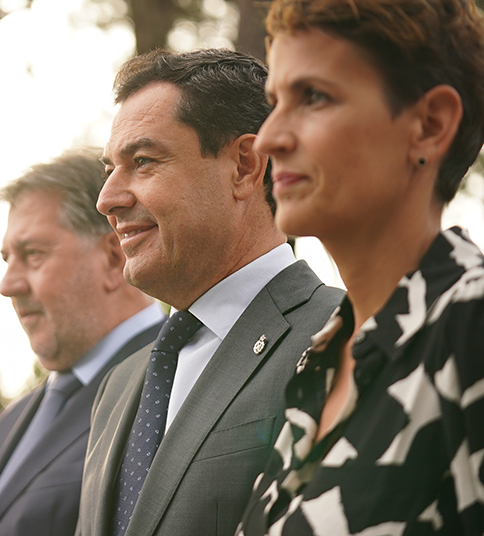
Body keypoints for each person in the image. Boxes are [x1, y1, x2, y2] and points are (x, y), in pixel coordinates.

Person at [235, 0, 484, 534]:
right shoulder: (319, 357)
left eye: (314, 96)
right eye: (276, 100)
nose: (269, 138)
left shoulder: (471, 324)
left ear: (431, 124)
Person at [77, 48, 344, 536]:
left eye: (142, 161)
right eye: (108, 169)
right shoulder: (118, 386)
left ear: (244, 165)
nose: (107, 199)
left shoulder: (346, 336)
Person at [0, 150, 165, 536]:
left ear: (113, 256)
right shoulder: (9, 424)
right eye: (6, 259)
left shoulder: (174, 389)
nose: (7, 285)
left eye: (32, 255)